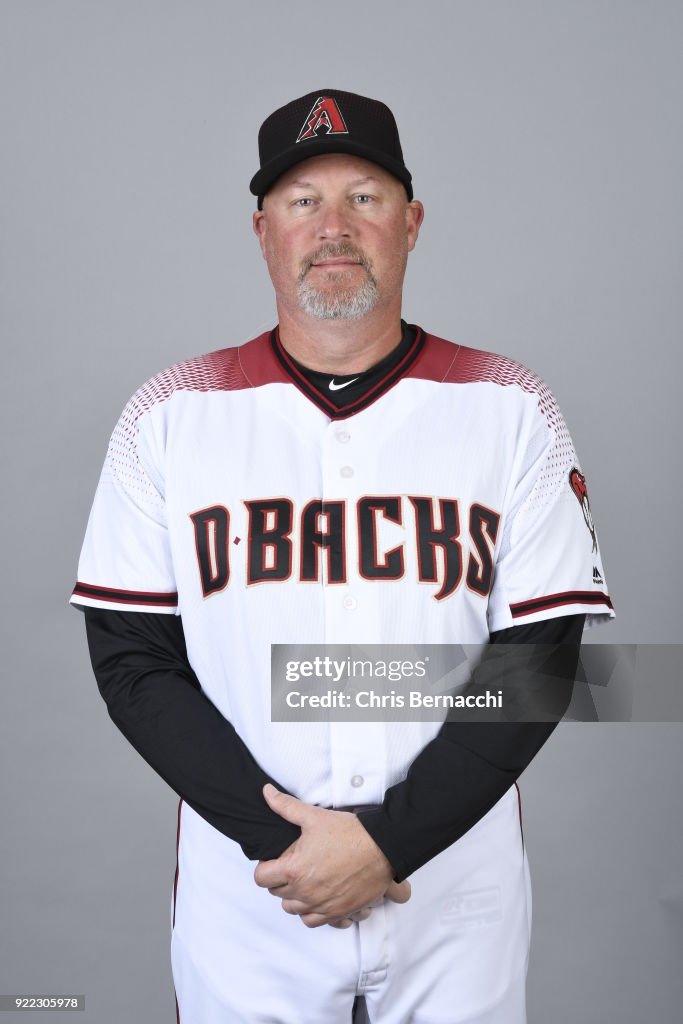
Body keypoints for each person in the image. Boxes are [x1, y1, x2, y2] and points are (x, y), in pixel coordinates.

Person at [71, 89, 614, 1023]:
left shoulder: (509, 405)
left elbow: (543, 662)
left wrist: (388, 846)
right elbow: (134, 663)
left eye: (363, 197)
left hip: (452, 887)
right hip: (251, 885)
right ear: (261, 229)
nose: (332, 226)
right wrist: (289, 850)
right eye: (301, 200)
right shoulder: (167, 413)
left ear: (410, 221)